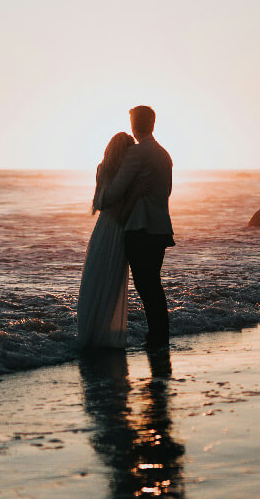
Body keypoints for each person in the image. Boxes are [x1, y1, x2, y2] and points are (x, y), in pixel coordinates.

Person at [102, 105, 174, 347]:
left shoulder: (137, 154)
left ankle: (157, 338)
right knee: (153, 283)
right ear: (152, 124)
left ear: (134, 126)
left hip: (140, 229)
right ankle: (159, 335)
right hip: (161, 228)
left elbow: (114, 192)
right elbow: (168, 192)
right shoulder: (164, 154)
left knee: (146, 286)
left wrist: (105, 193)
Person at [76, 132, 137, 348]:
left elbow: (99, 202)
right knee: (107, 279)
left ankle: (94, 332)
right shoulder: (118, 172)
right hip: (117, 228)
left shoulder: (109, 169)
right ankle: (101, 334)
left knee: (99, 277)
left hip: (106, 227)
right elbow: (101, 201)